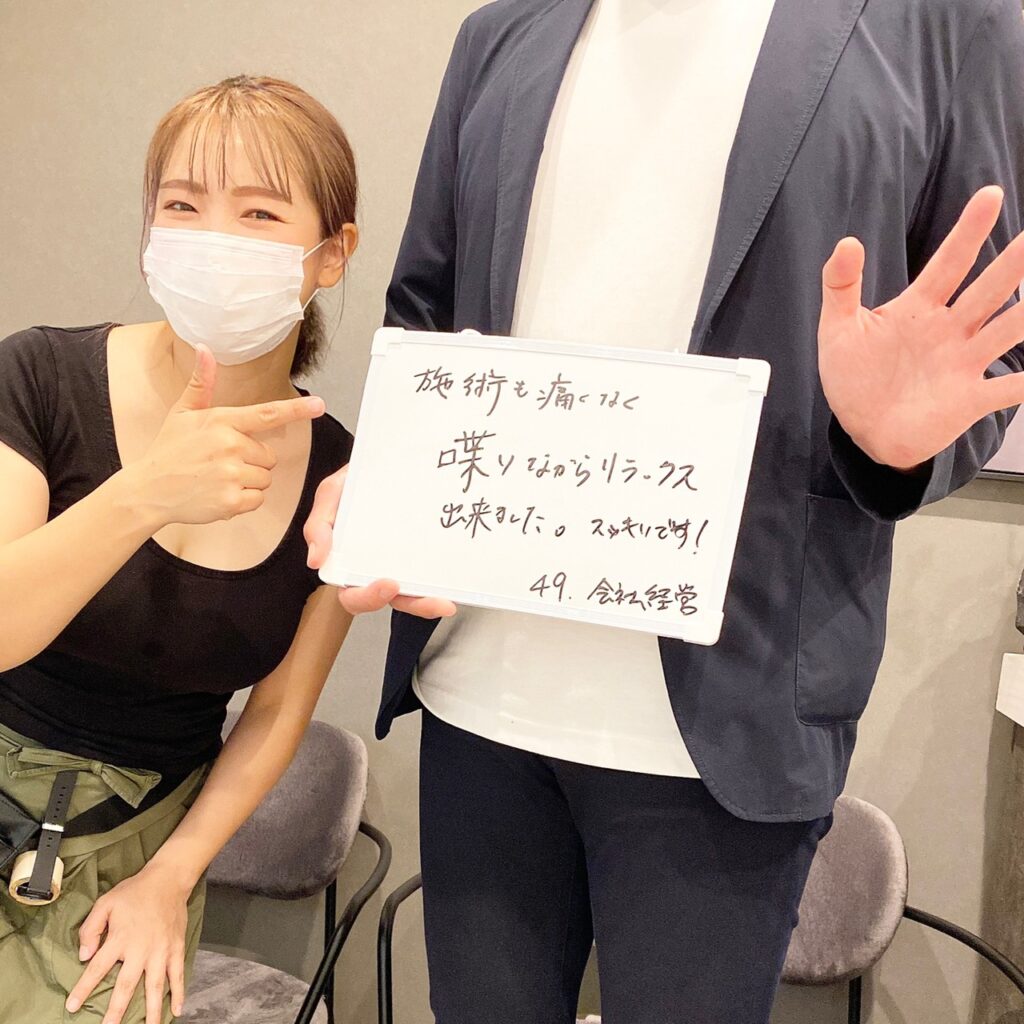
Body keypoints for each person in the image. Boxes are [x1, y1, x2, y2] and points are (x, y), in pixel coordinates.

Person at [305, 0, 1024, 1021]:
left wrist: (894, 440)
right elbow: (426, 310)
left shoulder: (943, 24)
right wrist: (385, 476)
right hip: (480, 695)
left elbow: (987, 340)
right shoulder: (501, 33)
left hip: (730, 711)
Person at [0, 75, 358, 1024]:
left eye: (259, 213)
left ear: (332, 253)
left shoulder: (341, 475)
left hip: (140, 844)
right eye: (184, 206)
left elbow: (277, 711)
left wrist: (170, 878)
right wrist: (143, 494)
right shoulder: (39, 374)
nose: (214, 239)